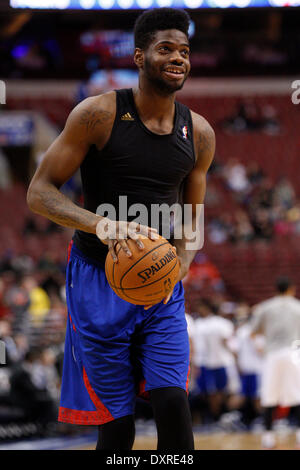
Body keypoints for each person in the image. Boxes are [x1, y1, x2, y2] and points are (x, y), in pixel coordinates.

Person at [27, 8, 215, 450]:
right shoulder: (97, 114)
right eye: (165, 49)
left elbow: (193, 215)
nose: (178, 59)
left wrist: (182, 262)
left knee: (172, 399)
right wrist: (100, 225)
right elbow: (39, 192)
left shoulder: (199, 132)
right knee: (117, 424)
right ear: (138, 57)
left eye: (184, 51)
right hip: (97, 275)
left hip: (157, 278)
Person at [250, 277, 300, 449]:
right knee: (297, 394)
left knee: (269, 396)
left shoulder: (266, 307)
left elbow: (253, 333)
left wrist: (260, 349)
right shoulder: (297, 306)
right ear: (291, 289)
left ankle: (268, 439)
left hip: (272, 355)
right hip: (294, 353)